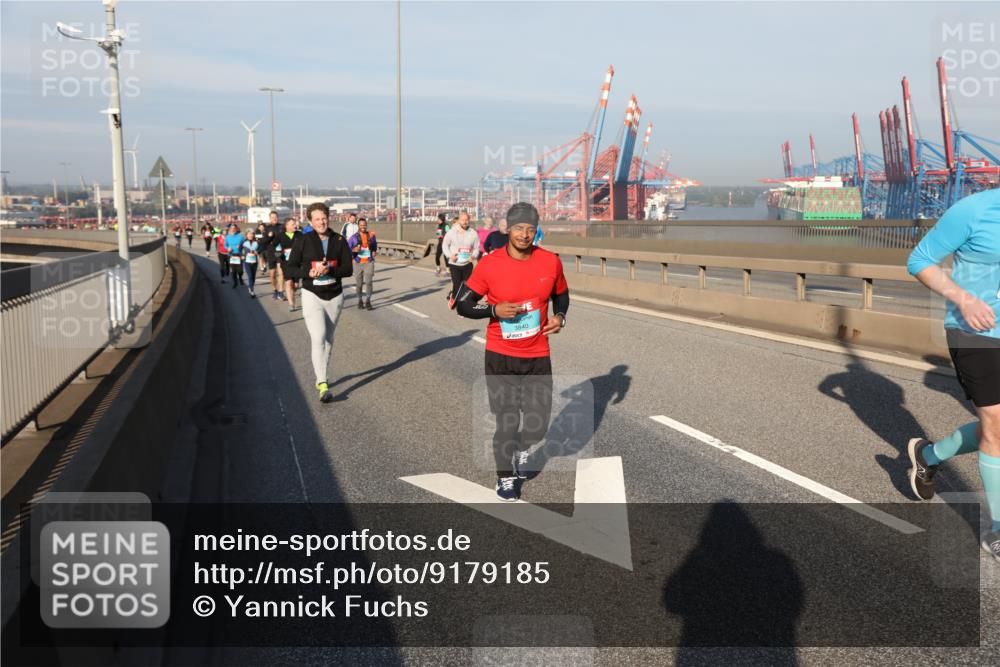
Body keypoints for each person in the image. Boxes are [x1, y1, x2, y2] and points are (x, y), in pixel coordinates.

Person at [906, 189, 1000, 563]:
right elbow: (920, 260)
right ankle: (998, 530)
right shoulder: (974, 210)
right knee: (995, 423)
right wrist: (965, 299)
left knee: (996, 427)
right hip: (974, 331)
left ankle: (929, 455)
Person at [455, 202, 569, 501]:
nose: (524, 235)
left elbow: (561, 294)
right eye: (519, 228)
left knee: (537, 427)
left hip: (537, 355)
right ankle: (505, 477)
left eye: (530, 229)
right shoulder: (490, 264)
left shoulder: (550, 262)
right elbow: (463, 305)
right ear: (507, 228)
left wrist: (560, 317)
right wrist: (494, 310)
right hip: (500, 355)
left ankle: (520, 448)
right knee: (507, 422)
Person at [283, 203, 353, 403]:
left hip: (335, 295)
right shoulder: (303, 240)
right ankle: (322, 383)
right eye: (317, 219)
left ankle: (323, 373)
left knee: (329, 339)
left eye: (324, 218)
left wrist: (330, 270)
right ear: (310, 222)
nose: (321, 222)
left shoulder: (339, 240)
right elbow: (289, 269)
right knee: (318, 336)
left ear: (328, 218)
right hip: (312, 294)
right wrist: (308, 273)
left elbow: (348, 269)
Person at [441, 211, 479, 309]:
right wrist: (450, 255)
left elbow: (476, 248)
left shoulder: (473, 233)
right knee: (457, 285)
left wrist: (473, 256)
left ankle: (463, 304)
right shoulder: (451, 232)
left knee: (468, 286)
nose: (465, 222)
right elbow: (445, 245)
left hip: (467, 264)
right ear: (458, 221)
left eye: (466, 220)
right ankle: (454, 298)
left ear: (469, 220)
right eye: (463, 220)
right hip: (454, 263)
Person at [348, 217, 378, 310]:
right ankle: (360, 300)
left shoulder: (371, 235)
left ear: (366, 225)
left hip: (369, 262)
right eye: (361, 225)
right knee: (359, 284)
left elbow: (374, 245)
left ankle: (368, 301)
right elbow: (347, 249)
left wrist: (374, 251)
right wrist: (353, 250)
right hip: (357, 263)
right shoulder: (353, 237)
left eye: (364, 225)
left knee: (369, 282)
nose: (363, 227)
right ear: (358, 226)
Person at [274, 217, 302, 311]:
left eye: (295, 224)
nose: (295, 225)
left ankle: (292, 295)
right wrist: (279, 256)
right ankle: (291, 304)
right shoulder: (280, 236)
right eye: (293, 224)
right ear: (286, 226)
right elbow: (273, 247)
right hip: (285, 263)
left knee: (296, 285)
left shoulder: (300, 234)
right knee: (289, 282)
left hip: (297, 263)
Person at [263, 211, 282, 296]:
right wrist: (269, 236)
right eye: (272, 217)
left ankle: (280, 291)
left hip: (279, 252)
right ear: (270, 218)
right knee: (272, 274)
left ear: (278, 217)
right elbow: (263, 241)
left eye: (275, 217)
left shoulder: (282, 227)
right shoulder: (267, 228)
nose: (274, 218)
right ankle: (275, 290)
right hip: (271, 252)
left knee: (281, 273)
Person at [224, 224, 246, 289]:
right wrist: (228, 248)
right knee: (233, 271)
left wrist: (241, 246)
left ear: (236, 229)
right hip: (231, 255)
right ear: (230, 229)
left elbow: (245, 244)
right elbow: (225, 245)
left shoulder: (241, 237)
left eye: (234, 228)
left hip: (239, 255)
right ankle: (235, 282)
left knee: (240, 270)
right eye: (231, 228)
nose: (233, 229)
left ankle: (240, 277)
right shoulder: (227, 237)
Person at [242, 229, 261, 298]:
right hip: (247, 261)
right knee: (250, 276)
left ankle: (251, 286)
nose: (250, 235)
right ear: (246, 235)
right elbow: (240, 249)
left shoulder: (257, 242)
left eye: (252, 234)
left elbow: (260, 249)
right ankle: (252, 290)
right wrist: (242, 255)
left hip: (254, 261)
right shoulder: (244, 242)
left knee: (253, 276)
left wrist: (257, 252)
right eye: (249, 234)